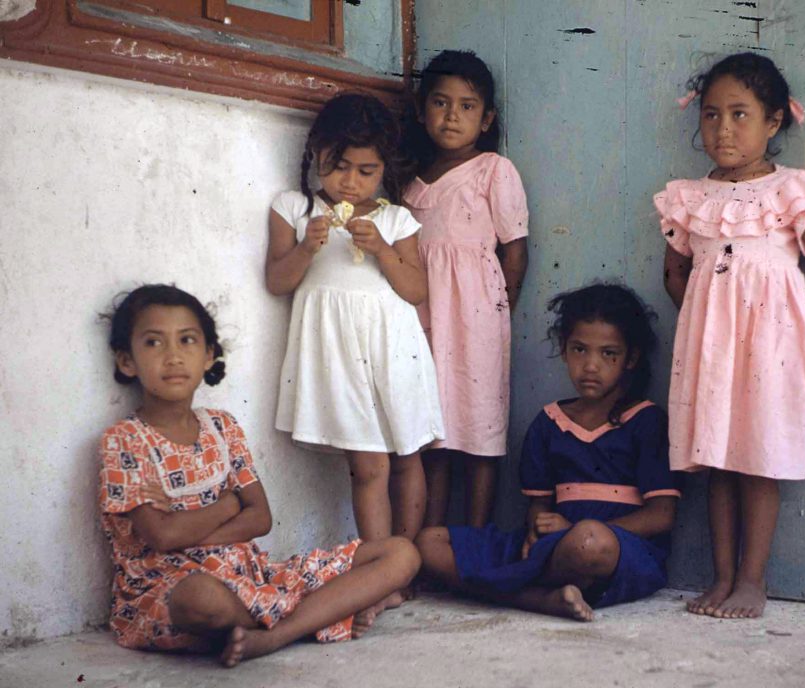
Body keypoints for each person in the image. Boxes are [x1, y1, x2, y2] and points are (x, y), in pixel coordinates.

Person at [98, 285, 420, 666]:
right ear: (126, 361)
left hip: (253, 578)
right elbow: (162, 535)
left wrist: (194, 528)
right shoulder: (124, 440)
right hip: (170, 588)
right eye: (154, 343)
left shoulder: (223, 427)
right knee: (201, 599)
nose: (173, 356)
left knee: (400, 553)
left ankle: (273, 636)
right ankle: (323, 615)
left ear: (208, 356)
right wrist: (230, 504)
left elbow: (260, 518)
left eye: (187, 340)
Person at [655, 52, 805, 619]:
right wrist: (705, 322)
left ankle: (751, 581)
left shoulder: (790, 192)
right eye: (711, 115)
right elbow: (674, 271)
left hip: (773, 350)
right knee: (716, 459)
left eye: (740, 115)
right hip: (711, 353)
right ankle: (719, 578)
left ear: (774, 122)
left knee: (759, 461)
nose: (723, 129)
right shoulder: (692, 197)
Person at [415, 284, 679, 620]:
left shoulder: (646, 421)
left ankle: (512, 590)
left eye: (608, 353)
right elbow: (539, 504)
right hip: (551, 550)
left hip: (616, 552)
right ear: (564, 350)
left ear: (631, 358)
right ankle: (541, 599)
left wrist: (572, 529)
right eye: (580, 350)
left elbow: (662, 515)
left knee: (589, 541)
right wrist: (536, 531)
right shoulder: (549, 422)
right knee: (430, 543)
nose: (591, 366)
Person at [266, 93, 444, 546]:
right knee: (368, 464)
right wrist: (307, 247)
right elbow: (277, 281)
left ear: (385, 170)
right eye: (339, 166)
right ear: (316, 154)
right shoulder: (294, 209)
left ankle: (403, 569)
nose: (351, 183)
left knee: (407, 455)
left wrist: (383, 250)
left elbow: (415, 290)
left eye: (368, 172)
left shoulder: (397, 219)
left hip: (391, 348)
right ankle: (379, 568)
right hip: (337, 354)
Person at [403, 50, 530, 528]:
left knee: (479, 429)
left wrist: (500, 312)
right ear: (421, 111)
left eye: (467, 106)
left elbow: (514, 249)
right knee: (435, 432)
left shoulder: (493, 171)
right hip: (423, 317)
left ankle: (474, 542)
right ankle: (432, 543)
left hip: (476, 316)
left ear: (486, 118)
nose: (452, 115)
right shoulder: (411, 186)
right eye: (440, 103)